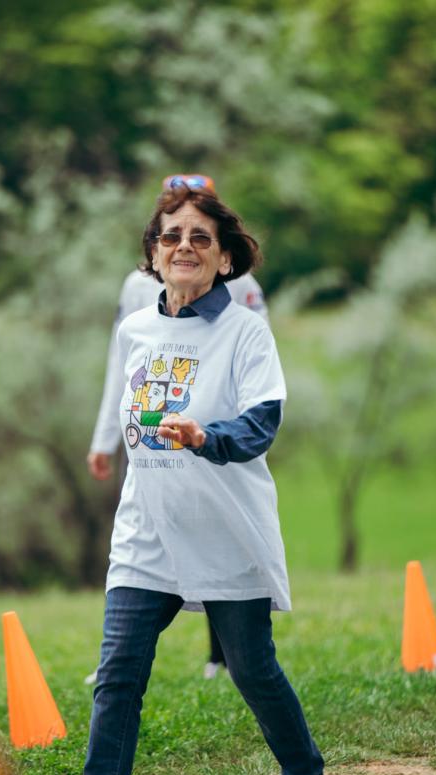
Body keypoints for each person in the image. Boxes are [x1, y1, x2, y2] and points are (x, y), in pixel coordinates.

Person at [80, 184, 336, 775]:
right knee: (117, 679)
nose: (184, 246)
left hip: (225, 528)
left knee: (252, 670)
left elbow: (260, 424)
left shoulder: (246, 332)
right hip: (147, 531)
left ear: (225, 258)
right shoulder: (135, 331)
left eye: (201, 237)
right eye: (172, 236)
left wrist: (205, 437)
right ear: (153, 254)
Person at [86, 174, 268, 683]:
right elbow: (120, 368)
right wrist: (105, 437)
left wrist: (221, 431)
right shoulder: (135, 289)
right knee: (123, 654)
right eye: (171, 227)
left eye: (199, 226)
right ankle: (122, 664)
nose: (184, 242)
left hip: (215, 441)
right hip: (153, 436)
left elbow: (254, 361)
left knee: (217, 546)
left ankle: (223, 656)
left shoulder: (243, 290)